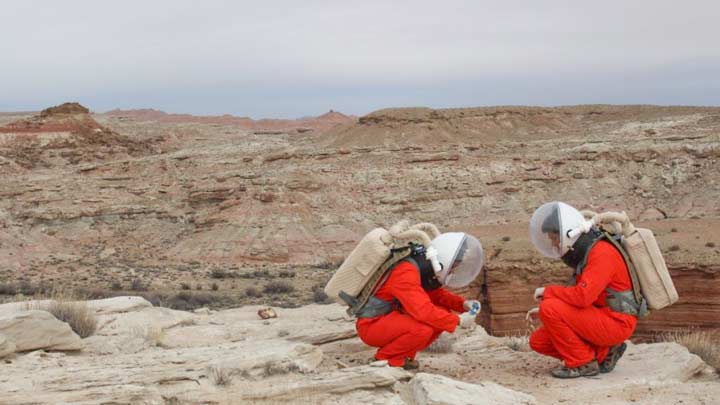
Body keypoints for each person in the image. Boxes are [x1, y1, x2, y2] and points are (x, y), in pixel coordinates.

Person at [527, 201, 639, 378]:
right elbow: (584, 294)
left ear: (568, 235)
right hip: (600, 316)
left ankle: (583, 363)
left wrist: (548, 293)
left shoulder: (601, 253)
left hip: (617, 322)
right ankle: (604, 352)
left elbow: (582, 297)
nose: (555, 244)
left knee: (549, 308)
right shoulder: (589, 251)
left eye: (555, 238)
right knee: (539, 342)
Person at [356, 232, 484, 370]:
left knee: (441, 314)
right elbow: (423, 311)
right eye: (453, 266)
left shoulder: (418, 265)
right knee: (422, 329)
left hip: (387, 319)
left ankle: (404, 356)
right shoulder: (405, 273)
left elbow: (435, 294)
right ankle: (386, 358)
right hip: (372, 325)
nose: (452, 271)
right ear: (445, 260)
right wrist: (458, 321)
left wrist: (462, 304)